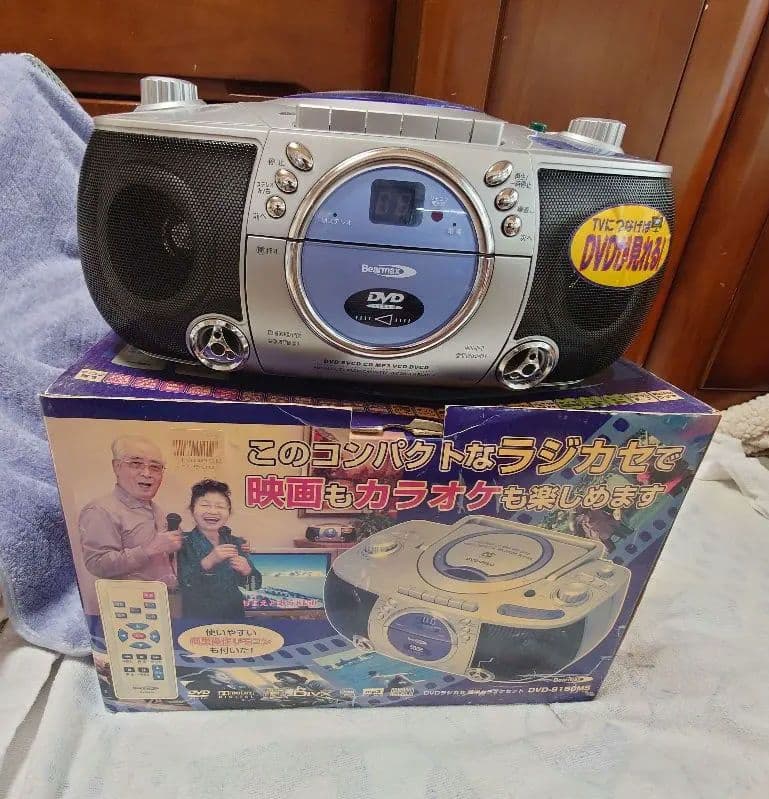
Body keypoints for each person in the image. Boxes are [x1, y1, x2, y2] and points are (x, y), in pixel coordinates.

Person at [78, 436, 182, 606]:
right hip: (132, 608)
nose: (147, 473)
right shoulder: (100, 510)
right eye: (136, 463)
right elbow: (97, 564)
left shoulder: (158, 510)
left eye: (155, 467)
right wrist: (149, 549)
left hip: (167, 602)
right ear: (117, 467)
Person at [177, 479, 258, 620]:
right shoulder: (182, 542)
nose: (213, 511)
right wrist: (208, 562)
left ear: (229, 512)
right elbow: (182, 585)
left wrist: (247, 571)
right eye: (205, 505)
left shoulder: (235, 542)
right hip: (197, 620)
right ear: (192, 510)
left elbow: (253, 586)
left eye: (220, 506)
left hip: (234, 619)